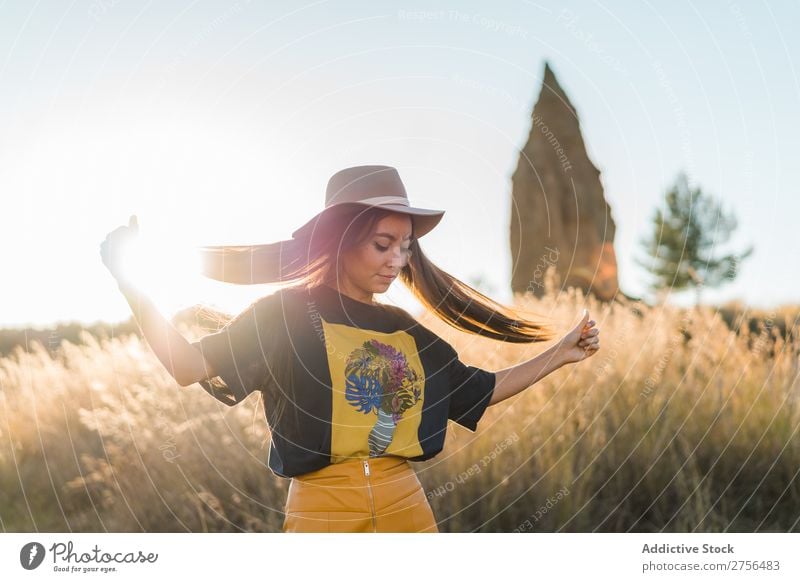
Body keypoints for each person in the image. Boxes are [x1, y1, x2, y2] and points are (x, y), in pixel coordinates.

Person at [99, 165, 600, 533]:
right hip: (321, 514)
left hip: (407, 509)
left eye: (405, 248)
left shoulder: (404, 329)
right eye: (383, 245)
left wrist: (558, 353)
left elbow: (475, 390)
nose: (396, 261)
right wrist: (132, 286)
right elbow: (189, 366)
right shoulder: (283, 315)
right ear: (341, 241)